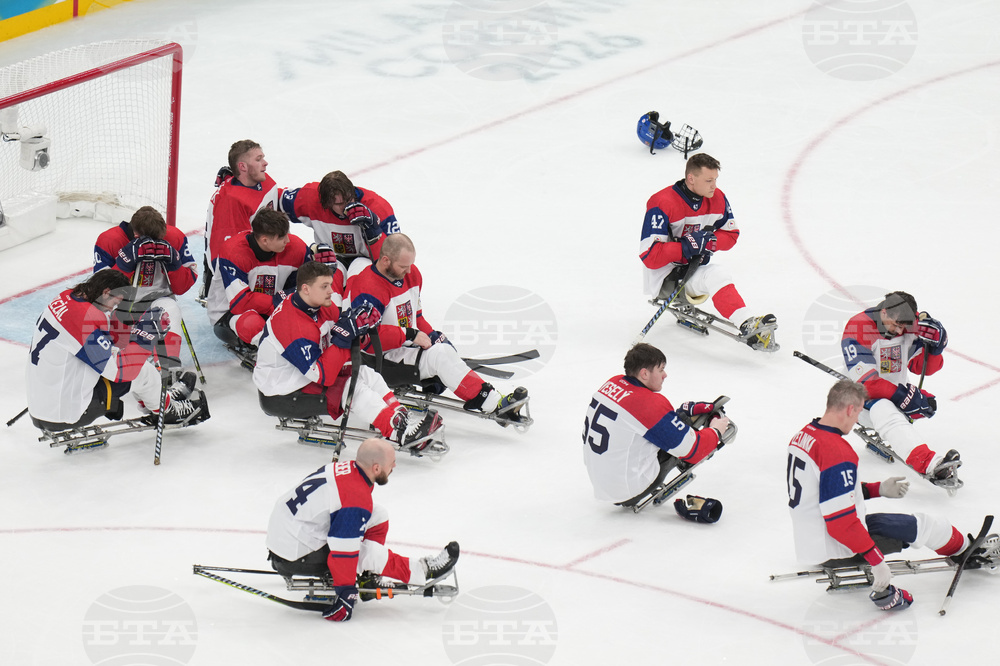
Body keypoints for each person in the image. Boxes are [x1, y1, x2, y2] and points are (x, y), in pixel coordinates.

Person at [786, 380, 995, 611]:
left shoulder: (803, 436)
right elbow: (841, 524)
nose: (857, 420)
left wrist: (878, 489)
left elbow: (826, 491)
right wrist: (877, 563)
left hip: (810, 540)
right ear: (849, 409)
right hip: (837, 545)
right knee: (928, 525)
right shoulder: (836, 451)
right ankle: (966, 550)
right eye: (858, 413)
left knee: (895, 523)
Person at [265, 438, 460, 622]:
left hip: (292, 536)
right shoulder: (355, 497)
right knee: (368, 553)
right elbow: (343, 553)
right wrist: (345, 594)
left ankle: (368, 574)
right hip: (294, 556)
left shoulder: (348, 470)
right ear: (376, 468)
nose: (394, 466)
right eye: (391, 463)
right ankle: (424, 571)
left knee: (378, 515)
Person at [254, 261, 443, 449]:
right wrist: (346, 334)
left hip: (301, 375)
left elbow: (345, 329)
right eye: (324, 286)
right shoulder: (290, 324)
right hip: (281, 390)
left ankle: (400, 417)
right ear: (306, 289)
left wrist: (362, 325)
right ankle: (398, 432)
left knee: (366, 374)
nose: (331, 291)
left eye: (330, 284)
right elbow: (324, 376)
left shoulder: (318, 304)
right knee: (352, 388)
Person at [348, 233, 528, 424]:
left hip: (406, 345)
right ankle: (495, 405)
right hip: (381, 358)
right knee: (440, 355)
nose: (409, 271)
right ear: (385, 260)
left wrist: (430, 335)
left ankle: (442, 381)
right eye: (403, 266)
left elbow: (415, 317)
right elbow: (366, 340)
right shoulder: (367, 287)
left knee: (443, 346)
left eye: (410, 265)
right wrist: (410, 334)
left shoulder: (412, 274)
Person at [25, 269, 206, 432]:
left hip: (45, 400)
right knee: (143, 372)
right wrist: (147, 334)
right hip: (66, 413)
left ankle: (159, 398)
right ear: (106, 292)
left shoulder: (67, 297)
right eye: (115, 301)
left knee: (125, 359)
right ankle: (168, 411)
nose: (114, 308)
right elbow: (121, 371)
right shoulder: (84, 321)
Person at [639, 153, 776, 349]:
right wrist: (687, 246)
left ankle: (747, 323)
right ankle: (747, 324)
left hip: (692, 269)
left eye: (716, 180)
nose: (714, 185)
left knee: (718, 274)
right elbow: (650, 256)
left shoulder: (717, 198)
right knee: (716, 274)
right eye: (709, 180)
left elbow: (731, 234)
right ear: (691, 179)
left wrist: (709, 241)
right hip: (665, 277)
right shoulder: (662, 202)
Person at [582, 342, 730, 505]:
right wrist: (716, 430)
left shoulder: (613, 382)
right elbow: (695, 449)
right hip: (628, 490)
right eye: (660, 370)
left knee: (667, 429)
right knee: (684, 445)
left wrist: (682, 413)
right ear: (644, 373)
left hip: (603, 482)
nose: (665, 375)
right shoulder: (647, 403)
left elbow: (645, 420)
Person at [840, 291, 958, 486]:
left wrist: (936, 349)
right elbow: (867, 384)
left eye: (904, 327)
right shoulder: (859, 327)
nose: (899, 331)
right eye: (895, 325)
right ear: (884, 312)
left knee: (922, 405)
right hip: (857, 399)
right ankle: (930, 464)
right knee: (884, 409)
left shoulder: (908, 326)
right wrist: (904, 397)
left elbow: (922, 368)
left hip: (894, 392)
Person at [93, 205, 197, 373]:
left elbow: (183, 287)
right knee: (121, 368)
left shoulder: (174, 237)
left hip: (159, 300)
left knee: (171, 310)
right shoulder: (109, 240)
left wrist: (175, 264)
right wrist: (124, 264)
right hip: (122, 306)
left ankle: (168, 371)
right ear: (136, 235)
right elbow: (100, 294)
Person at [207, 208, 308, 348]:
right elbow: (241, 303)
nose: (288, 240)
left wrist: (325, 267)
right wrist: (280, 300)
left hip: (274, 307)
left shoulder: (296, 248)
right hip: (232, 313)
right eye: (282, 237)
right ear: (265, 240)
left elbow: (308, 286)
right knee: (251, 324)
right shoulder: (234, 253)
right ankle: (268, 353)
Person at [279, 170, 398, 280]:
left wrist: (373, 230)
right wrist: (311, 252)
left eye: (349, 199)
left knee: (361, 273)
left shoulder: (377, 207)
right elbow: (272, 201)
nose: (346, 206)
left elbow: (395, 257)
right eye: (340, 203)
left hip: (365, 261)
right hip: (330, 259)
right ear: (326, 203)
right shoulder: (310, 199)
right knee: (324, 277)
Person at [203, 139, 283, 299]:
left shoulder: (264, 182)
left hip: (262, 257)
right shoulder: (231, 202)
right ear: (243, 167)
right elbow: (230, 254)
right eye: (258, 159)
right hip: (233, 283)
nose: (265, 163)